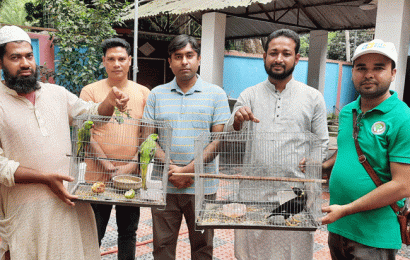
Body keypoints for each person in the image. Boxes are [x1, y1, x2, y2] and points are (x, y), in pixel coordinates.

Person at [0, 25, 129, 260]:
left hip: (70, 206)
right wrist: (46, 179)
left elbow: (92, 115)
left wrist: (109, 101)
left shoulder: (56, 93)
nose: (25, 63)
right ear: (1, 63)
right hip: (27, 213)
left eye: (29, 56)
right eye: (15, 57)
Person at [224, 29, 329, 260]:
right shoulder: (249, 95)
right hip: (253, 191)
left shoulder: (313, 97)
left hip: (294, 193)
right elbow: (228, 135)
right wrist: (238, 120)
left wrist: (314, 161)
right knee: (251, 253)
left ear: (297, 58)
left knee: (292, 252)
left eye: (286, 53)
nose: (279, 59)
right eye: (273, 53)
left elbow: (321, 141)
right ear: (264, 56)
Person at [142, 34, 231, 259]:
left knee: (202, 249)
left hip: (203, 188)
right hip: (164, 186)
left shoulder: (216, 94)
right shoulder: (156, 95)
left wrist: (188, 170)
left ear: (199, 59)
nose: (184, 61)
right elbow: (148, 139)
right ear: (170, 61)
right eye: (178, 56)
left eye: (190, 55)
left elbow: (218, 140)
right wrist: (174, 170)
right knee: (162, 247)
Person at [321, 39, 410, 260]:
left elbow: (403, 185)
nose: (368, 74)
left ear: (393, 73)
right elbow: (347, 150)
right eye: (361, 68)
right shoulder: (348, 111)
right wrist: (322, 166)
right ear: (353, 73)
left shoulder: (403, 118)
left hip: (374, 236)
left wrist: (347, 208)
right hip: (339, 224)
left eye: (378, 67)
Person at [79, 37, 150, 260]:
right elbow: (86, 133)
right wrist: (108, 166)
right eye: (111, 59)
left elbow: (146, 136)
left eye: (121, 59)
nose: (116, 64)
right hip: (96, 177)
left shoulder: (143, 93)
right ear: (104, 62)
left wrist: (131, 166)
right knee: (93, 233)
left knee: (128, 233)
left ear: (130, 61)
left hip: (131, 179)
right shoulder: (90, 91)